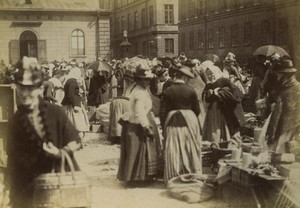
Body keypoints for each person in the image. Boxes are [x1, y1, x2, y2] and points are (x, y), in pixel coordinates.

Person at [5, 57, 81, 208]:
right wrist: (8, 186)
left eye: (30, 88)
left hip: (56, 182)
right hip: (25, 188)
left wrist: (60, 152)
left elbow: (76, 141)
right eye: (21, 88)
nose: (25, 93)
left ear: (40, 89)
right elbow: (12, 156)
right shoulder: (15, 120)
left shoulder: (56, 112)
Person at [117, 65, 162, 182]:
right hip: (137, 125)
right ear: (139, 80)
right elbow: (139, 112)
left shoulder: (140, 90)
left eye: (148, 79)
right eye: (145, 79)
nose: (147, 82)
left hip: (137, 123)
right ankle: (137, 177)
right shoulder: (140, 93)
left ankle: (139, 176)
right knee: (138, 152)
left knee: (140, 151)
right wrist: (147, 127)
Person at [160, 66, 202, 183]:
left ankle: (173, 175)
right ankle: (189, 172)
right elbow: (197, 110)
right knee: (190, 146)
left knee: (174, 148)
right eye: (188, 78)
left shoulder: (168, 90)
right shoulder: (191, 90)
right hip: (189, 121)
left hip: (172, 121)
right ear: (183, 77)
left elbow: (162, 111)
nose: (189, 81)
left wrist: (164, 126)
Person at [263, 54, 300, 157]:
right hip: (285, 124)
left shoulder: (292, 89)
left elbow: (280, 114)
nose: (278, 76)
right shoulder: (286, 86)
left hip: (287, 126)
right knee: (281, 151)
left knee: (281, 151)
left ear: (286, 74)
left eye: (280, 74)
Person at [202, 65, 245, 145]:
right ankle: (214, 142)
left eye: (211, 73)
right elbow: (207, 100)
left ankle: (224, 141)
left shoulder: (224, 81)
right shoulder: (208, 85)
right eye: (208, 74)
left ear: (216, 72)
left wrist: (220, 92)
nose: (210, 76)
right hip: (213, 111)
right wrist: (209, 94)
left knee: (224, 126)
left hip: (223, 109)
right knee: (214, 128)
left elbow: (235, 92)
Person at [62, 67, 90, 140]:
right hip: (72, 105)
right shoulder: (72, 81)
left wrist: (78, 93)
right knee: (76, 121)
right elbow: (71, 94)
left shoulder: (69, 81)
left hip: (70, 103)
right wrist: (75, 105)